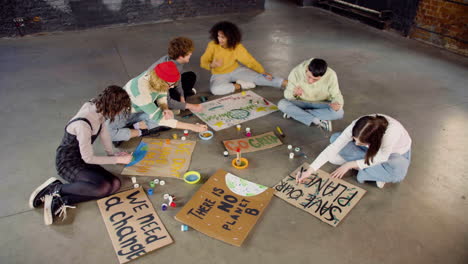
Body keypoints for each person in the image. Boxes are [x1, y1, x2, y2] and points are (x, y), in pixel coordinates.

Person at [29, 86, 134, 225]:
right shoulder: (83, 125)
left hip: (82, 159)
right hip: (68, 162)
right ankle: (54, 189)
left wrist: (113, 154)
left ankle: (63, 200)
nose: (121, 112)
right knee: (102, 187)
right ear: (113, 107)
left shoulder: (99, 108)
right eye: (121, 109)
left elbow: (104, 134)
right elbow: (88, 158)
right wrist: (118, 159)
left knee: (114, 184)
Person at [296, 114, 412, 188]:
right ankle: (371, 171)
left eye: (360, 143)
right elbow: (334, 147)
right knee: (335, 139)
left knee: (397, 173)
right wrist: (310, 171)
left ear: (373, 141)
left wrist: (350, 164)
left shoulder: (390, 135)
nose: (355, 144)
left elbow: (381, 158)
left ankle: (363, 171)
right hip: (369, 153)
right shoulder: (359, 125)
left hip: (394, 155)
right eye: (354, 139)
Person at [107, 61, 207, 143]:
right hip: (119, 114)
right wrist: (193, 127)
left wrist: (165, 109)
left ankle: (135, 126)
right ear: (161, 81)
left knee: (169, 119)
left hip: (138, 110)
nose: (172, 87)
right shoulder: (140, 92)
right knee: (109, 135)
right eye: (170, 85)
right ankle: (137, 131)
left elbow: (162, 94)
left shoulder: (156, 77)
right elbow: (160, 119)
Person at [200, 21, 288, 95]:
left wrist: (263, 72)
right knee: (215, 90)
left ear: (230, 37)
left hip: (236, 71)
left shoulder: (237, 47)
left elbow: (250, 61)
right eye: (218, 36)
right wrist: (211, 65)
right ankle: (240, 85)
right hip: (219, 74)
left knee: (259, 78)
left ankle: (286, 83)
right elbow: (203, 62)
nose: (219, 39)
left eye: (222, 37)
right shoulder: (212, 45)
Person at [278, 58, 344, 132]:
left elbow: (336, 94)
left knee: (339, 113)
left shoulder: (331, 75)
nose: (310, 81)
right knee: (282, 104)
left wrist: (337, 103)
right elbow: (287, 94)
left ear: (323, 75)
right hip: (300, 101)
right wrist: (293, 93)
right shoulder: (296, 72)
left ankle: (296, 113)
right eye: (309, 76)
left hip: (321, 103)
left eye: (315, 79)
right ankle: (317, 120)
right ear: (307, 69)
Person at [147, 37, 202, 113]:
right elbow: (167, 98)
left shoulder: (176, 61)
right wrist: (190, 106)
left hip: (168, 84)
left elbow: (177, 79)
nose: (191, 54)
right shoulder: (165, 70)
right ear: (180, 56)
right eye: (189, 53)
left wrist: (182, 95)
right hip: (156, 92)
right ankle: (168, 107)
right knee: (171, 100)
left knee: (191, 76)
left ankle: (180, 100)